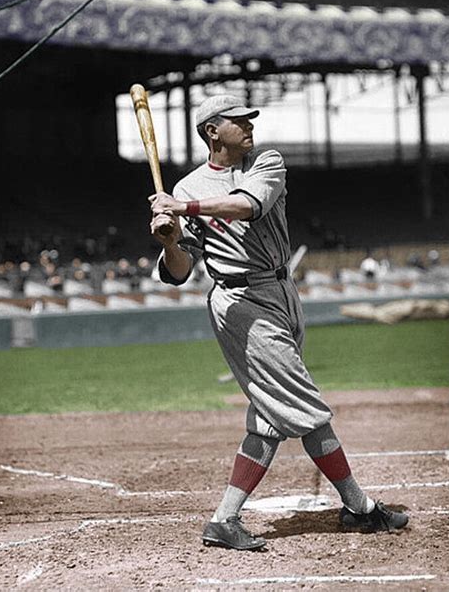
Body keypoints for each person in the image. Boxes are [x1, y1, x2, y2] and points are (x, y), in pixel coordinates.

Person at [148, 94, 408, 551]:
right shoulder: (185, 189)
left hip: (282, 291)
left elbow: (249, 206)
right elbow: (179, 271)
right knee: (302, 402)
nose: (249, 125)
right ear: (212, 130)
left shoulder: (265, 162)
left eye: (250, 119)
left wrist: (183, 211)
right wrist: (169, 237)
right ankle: (360, 508)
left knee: (272, 414)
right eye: (238, 120)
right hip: (240, 300)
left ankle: (226, 519)